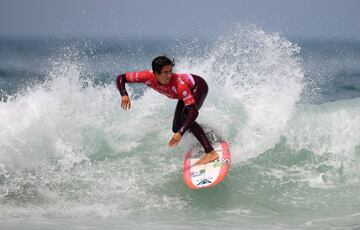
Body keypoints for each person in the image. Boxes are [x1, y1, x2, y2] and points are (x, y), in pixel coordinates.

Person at [116, 56, 218, 165]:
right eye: (165, 72)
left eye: (170, 71)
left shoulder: (179, 85)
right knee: (176, 128)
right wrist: (124, 94)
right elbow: (121, 78)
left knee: (186, 118)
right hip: (186, 92)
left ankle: (210, 152)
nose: (169, 75)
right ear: (156, 73)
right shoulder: (147, 76)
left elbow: (194, 112)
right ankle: (205, 133)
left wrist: (181, 133)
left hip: (198, 87)